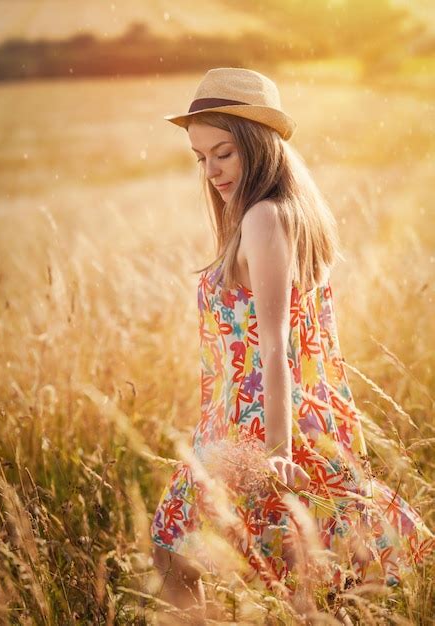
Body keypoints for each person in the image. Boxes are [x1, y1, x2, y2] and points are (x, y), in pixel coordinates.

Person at [149, 67, 434, 625]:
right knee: (298, 569)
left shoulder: (263, 217)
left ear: (257, 146)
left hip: (258, 426)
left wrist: (276, 448)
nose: (211, 171)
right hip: (250, 422)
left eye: (223, 153)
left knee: (176, 545)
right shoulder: (277, 214)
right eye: (200, 157)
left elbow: (274, 342)